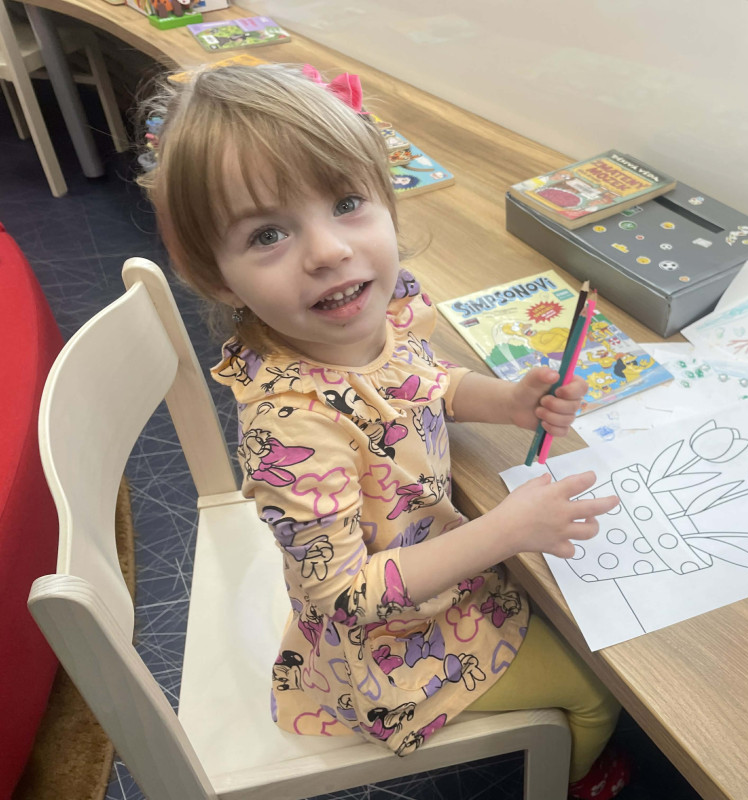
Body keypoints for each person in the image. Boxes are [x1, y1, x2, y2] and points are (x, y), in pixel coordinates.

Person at [138, 63, 630, 799]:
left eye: (346, 203)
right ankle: (584, 782)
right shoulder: (291, 427)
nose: (329, 251)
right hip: (390, 650)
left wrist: (508, 402)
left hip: (439, 575)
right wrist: (504, 531)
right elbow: (343, 596)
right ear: (215, 276)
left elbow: (420, 382)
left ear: (387, 201)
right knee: (597, 690)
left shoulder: (371, 319)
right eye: (268, 233)